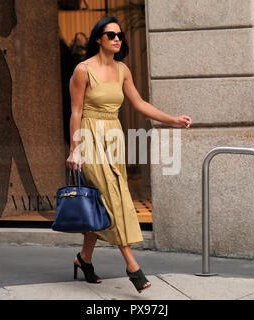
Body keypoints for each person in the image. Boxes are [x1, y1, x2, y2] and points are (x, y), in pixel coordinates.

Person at [66, 16, 192, 293]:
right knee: (114, 197)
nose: (116, 39)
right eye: (110, 35)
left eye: (119, 35)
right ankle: (132, 266)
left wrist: (172, 120)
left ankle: (84, 259)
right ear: (98, 38)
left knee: (101, 203)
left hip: (114, 136)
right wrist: (74, 150)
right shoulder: (83, 70)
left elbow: (139, 103)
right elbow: (75, 111)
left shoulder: (123, 69)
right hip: (89, 137)